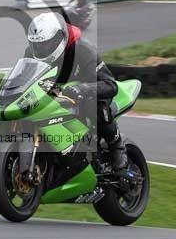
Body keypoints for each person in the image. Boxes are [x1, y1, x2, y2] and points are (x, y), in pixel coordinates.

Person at [26, 12, 128, 173]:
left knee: (94, 104)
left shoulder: (83, 49)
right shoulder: (33, 52)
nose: (40, 49)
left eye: (44, 45)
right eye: (36, 45)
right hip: (59, 90)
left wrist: (83, 89)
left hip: (89, 89)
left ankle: (117, 145)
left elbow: (110, 85)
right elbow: (26, 77)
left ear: (58, 38)